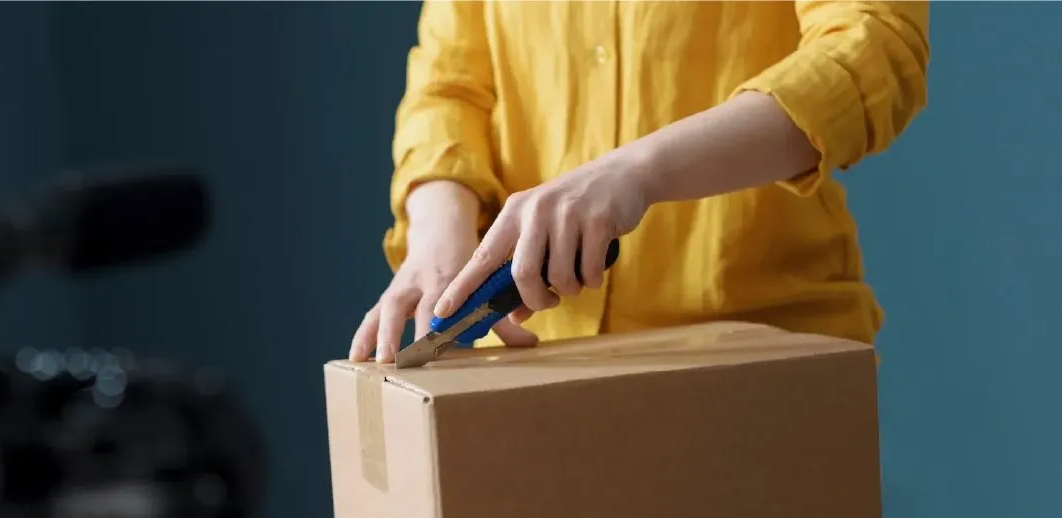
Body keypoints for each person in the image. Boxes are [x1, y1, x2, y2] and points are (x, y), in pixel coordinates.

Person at [350, 1, 930, 364]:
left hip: (761, 365)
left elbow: (872, 46)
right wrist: (436, 226)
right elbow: (449, 85)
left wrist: (640, 171)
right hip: (530, 372)